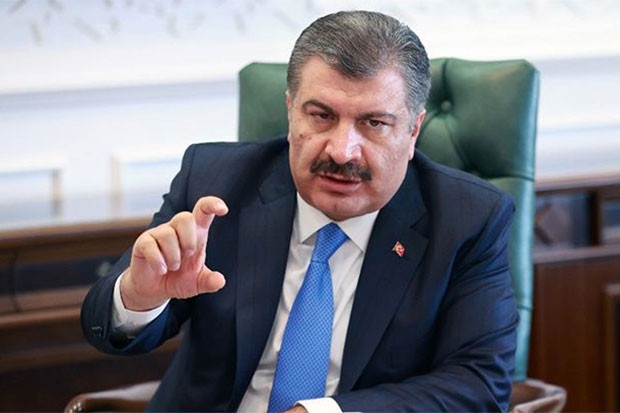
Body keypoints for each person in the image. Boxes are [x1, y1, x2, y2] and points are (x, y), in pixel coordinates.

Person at [81, 10, 518, 413]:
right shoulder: (216, 184)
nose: (342, 151)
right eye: (321, 115)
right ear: (291, 111)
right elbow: (107, 327)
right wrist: (139, 296)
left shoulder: (467, 219)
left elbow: (480, 384)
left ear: (413, 130)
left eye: (374, 123)